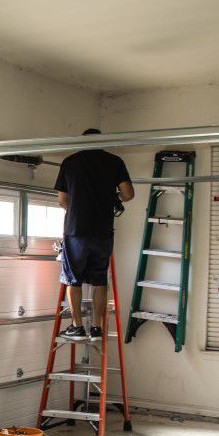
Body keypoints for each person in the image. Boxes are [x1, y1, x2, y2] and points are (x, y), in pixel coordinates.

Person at [54, 128, 134, 339]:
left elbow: (62, 200)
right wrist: (110, 199)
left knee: (73, 280)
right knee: (99, 280)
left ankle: (77, 326)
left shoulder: (70, 162)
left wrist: (78, 209)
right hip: (103, 231)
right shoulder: (114, 162)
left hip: (76, 231)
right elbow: (128, 194)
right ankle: (97, 327)